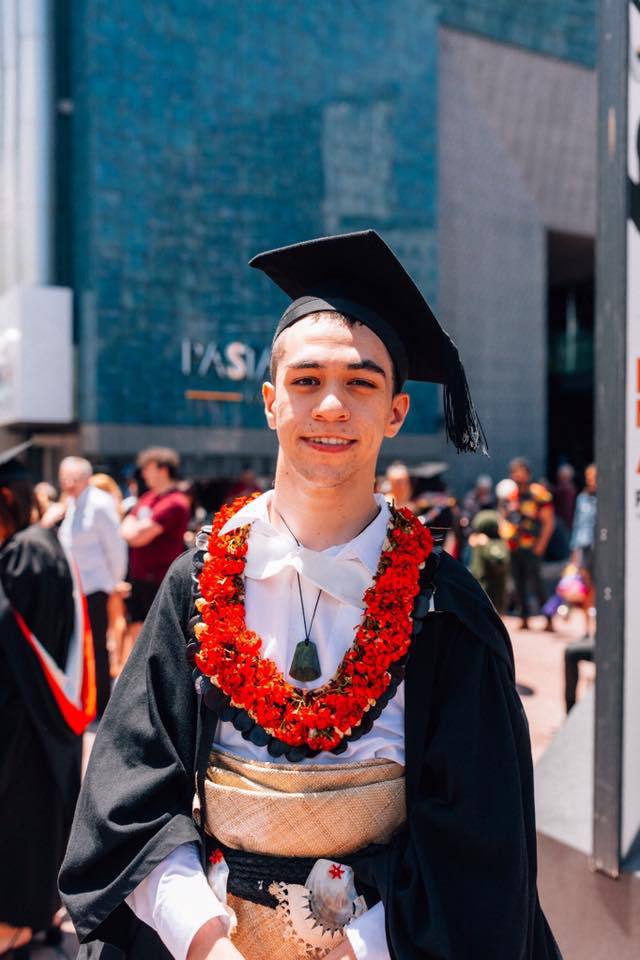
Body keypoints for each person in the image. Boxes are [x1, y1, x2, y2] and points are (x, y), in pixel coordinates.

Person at [60, 230, 561, 960]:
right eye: (305, 380)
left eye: (361, 383)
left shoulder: (444, 606)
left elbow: (478, 846)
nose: (331, 405)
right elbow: (130, 796)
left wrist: (356, 946)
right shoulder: (196, 584)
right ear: (270, 402)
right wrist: (206, 943)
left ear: (394, 412)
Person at [0, 444, 94, 956]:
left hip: (25, 718)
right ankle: (30, 916)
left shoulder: (26, 552)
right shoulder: (38, 544)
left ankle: (20, 921)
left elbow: (13, 642)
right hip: (38, 715)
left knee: (21, 816)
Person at [59, 457, 128, 718]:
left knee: (98, 647)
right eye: (64, 479)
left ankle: (101, 704)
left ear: (86, 478)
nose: (68, 484)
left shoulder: (99, 503)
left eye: (73, 479)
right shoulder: (71, 504)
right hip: (76, 588)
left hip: (96, 586)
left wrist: (114, 582)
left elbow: (115, 545)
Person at [120, 448, 190, 661]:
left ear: (163, 470)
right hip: (140, 579)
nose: (143, 474)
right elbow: (126, 529)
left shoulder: (175, 502)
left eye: (148, 469)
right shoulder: (148, 498)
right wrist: (134, 529)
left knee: (158, 637)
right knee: (136, 627)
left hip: (161, 580)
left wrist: (134, 528)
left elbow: (139, 535)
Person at [505, 457, 555, 630]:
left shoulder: (539, 493)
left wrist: (542, 544)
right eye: (514, 473)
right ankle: (524, 617)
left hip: (533, 546)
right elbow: (504, 516)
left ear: (527, 473)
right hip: (514, 546)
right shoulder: (511, 495)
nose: (517, 477)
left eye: (520, 472)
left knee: (537, 583)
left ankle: (549, 619)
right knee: (518, 584)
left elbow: (549, 521)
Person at [564, 463, 597, 712]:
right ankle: (589, 626)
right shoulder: (584, 498)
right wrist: (574, 554)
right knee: (586, 592)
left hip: (601, 546)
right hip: (585, 547)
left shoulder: (603, 497)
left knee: (597, 590)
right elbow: (578, 525)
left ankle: (595, 625)